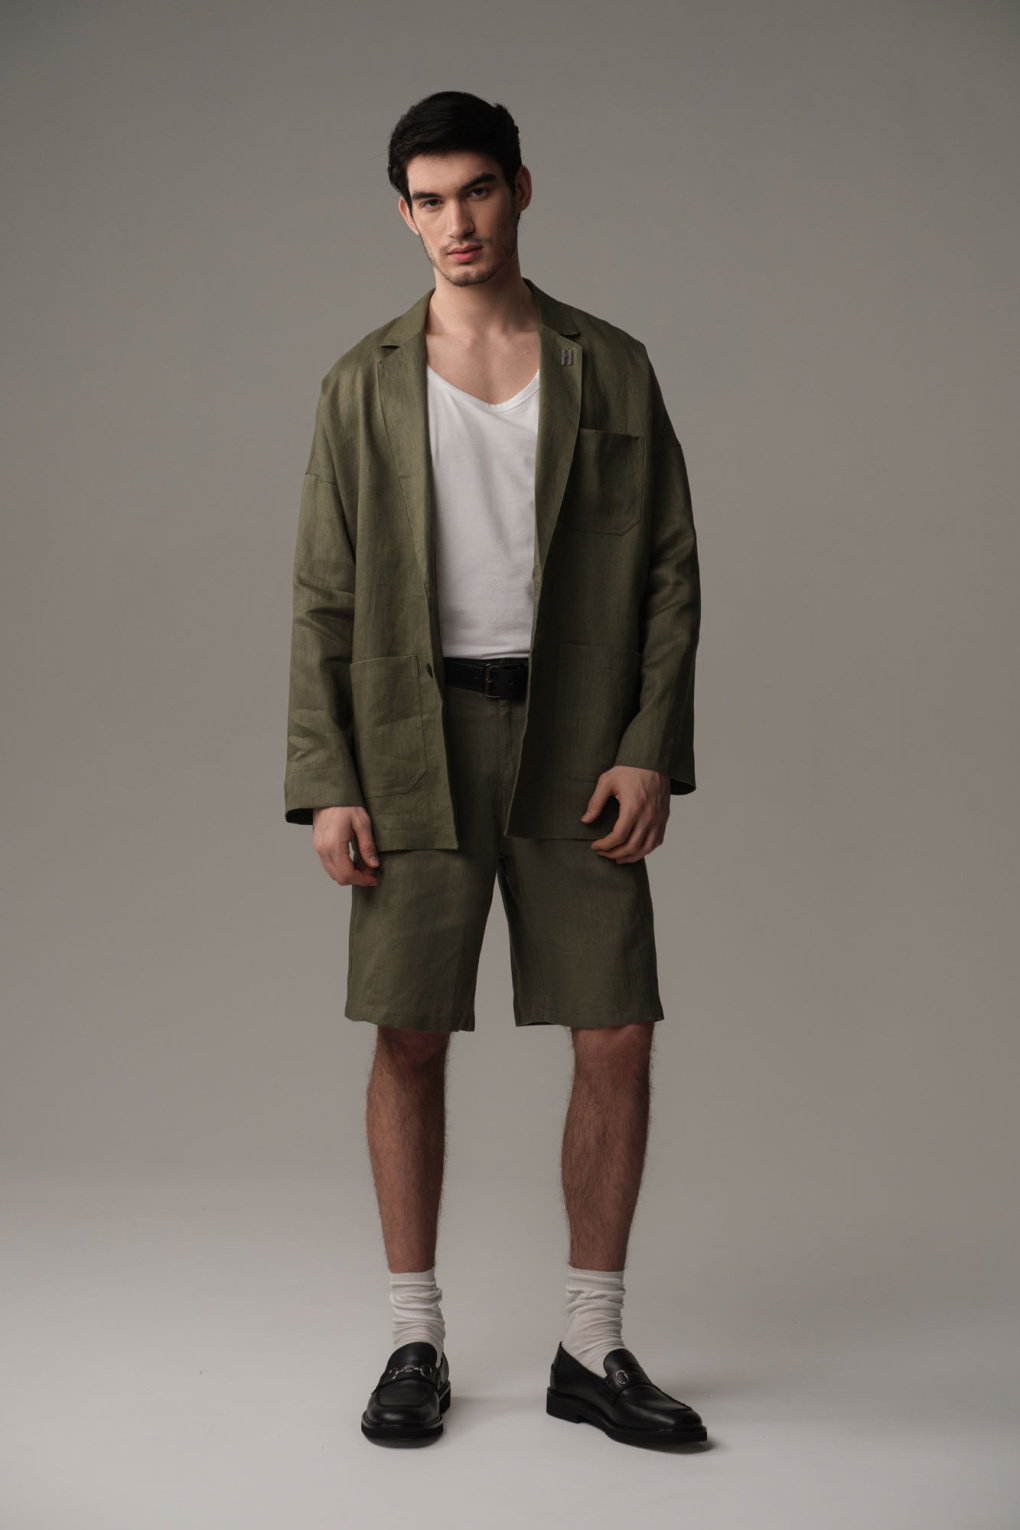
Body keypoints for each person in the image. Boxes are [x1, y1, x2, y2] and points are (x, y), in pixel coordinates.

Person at [283, 90, 706, 1448]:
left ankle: (592, 1342)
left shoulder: (611, 365)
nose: (454, 222)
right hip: (414, 735)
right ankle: (414, 1337)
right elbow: (323, 595)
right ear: (403, 213)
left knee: (617, 1028)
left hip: (580, 734)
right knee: (408, 1031)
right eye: (428, 199)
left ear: (522, 188)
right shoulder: (361, 381)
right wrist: (329, 776)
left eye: (475, 190)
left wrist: (648, 746)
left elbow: (670, 569)